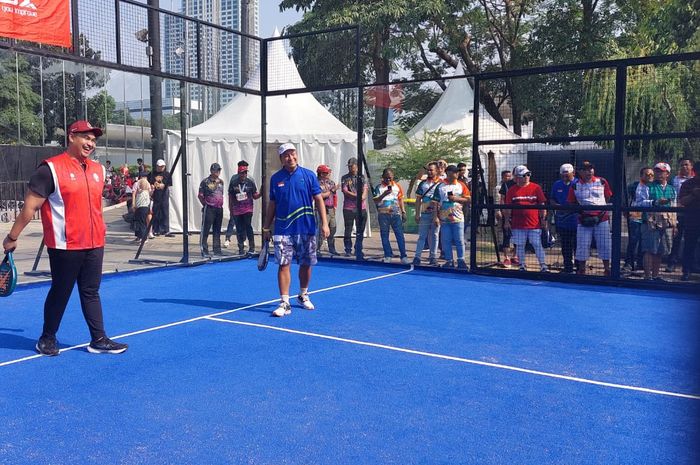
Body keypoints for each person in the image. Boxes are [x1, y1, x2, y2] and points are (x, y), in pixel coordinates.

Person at [2, 120, 128, 356]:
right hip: (65, 245)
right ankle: (47, 338)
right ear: (72, 137)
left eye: (93, 139)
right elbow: (30, 208)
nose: (90, 143)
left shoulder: (98, 170)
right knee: (61, 290)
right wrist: (12, 236)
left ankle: (99, 339)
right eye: (85, 137)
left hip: (94, 243)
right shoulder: (49, 169)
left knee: (91, 291)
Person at [262, 143, 329, 317]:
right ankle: (284, 302)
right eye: (286, 155)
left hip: (306, 228)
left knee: (306, 264)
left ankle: (303, 294)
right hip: (283, 230)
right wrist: (266, 226)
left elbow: (319, 199)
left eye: (292, 154)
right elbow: (273, 204)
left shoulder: (308, 175)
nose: (290, 158)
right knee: (284, 265)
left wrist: (324, 223)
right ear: (281, 159)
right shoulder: (276, 179)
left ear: (296, 155)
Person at [567, 161, 613, 276]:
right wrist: (582, 212)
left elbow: (607, 196)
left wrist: (600, 211)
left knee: (604, 243)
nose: (589, 172)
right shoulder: (575, 185)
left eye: (591, 169)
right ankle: (582, 269)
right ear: (580, 172)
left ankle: (607, 269)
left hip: (602, 219)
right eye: (586, 170)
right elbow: (571, 202)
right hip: (584, 220)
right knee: (583, 244)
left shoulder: (602, 181)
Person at [503, 165, 548, 272]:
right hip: (517, 224)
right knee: (520, 245)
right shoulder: (511, 190)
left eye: (528, 174)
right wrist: (506, 221)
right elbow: (508, 208)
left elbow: (542, 204)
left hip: (534, 224)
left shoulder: (536, 188)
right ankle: (522, 265)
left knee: (537, 244)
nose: (527, 176)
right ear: (517, 177)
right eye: (524, 175)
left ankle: (543, 265)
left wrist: (543, 219)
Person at [637, 162, 677, 281]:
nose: (659, 173)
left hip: (667, 223)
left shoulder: (672, 189)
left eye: (662, 171)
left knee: (660, 250)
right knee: (649, 249)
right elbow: (638, 203)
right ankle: (647, 276)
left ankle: (655, 275)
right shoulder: (646, 186)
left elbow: (674, 207)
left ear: (667, 174)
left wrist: (675, 225)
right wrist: (654, 202)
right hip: (650, 223)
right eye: (657, 171)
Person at [432, 165, 470, 269]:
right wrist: (435, 217)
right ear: (448, 173)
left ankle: (461, 260)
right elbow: (435, 203)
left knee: (459, 240)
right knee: (446, 240)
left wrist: (456, 199)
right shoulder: (440, 186)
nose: (457, 174)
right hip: (444, 219)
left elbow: (468, 199)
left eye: (457, 172)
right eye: (455, 172)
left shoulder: (461, 185)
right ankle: (449, 260)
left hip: (458, 218)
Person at [373, 167, 410, 264]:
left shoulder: (397, 186)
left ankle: (403, 256)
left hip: (395, 214)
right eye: (386, 178)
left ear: (393, 176)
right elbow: (375, 200)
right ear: (382, 177)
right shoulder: (379, 187)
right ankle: (388, 255)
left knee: (400, 235)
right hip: (383, 214)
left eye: (390, 177)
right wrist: (384, 194)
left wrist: (403, 212)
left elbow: (401, 199)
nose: (388, 180)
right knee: (384, 235)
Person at [226, 161, 261, 255]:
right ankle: (241, 248)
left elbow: (255, 195)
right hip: (237, 210)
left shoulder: (250, 181)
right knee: (239, 229)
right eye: (242, 172)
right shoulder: (234, 181)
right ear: (239, 172)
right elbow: (230, 196)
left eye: (245, 172)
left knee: (248, 227)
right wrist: (230, 209)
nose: (244, 174)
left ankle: (252, 247)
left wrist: (261, 193)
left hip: (248, 209)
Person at [667, 158, 694, 272]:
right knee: (676, 239)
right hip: (677, 214)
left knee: (690, 240)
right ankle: (672, 263)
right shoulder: (674, 180)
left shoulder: (695, 180)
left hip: (691, 215)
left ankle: (689, 266)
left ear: (691, 166)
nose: (684, 167)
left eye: (686, 165)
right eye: (682, 165)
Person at [625, 167, 654, 273]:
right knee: (633, 241)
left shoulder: (654, 187)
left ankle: (640, 264)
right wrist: (626, 210)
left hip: (648, 218)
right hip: (636, 216)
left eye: (651, 174)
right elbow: (626, 198)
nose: (650, 176)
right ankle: (628, 263)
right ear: (641, 175)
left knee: (644, 241)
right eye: (647, 174)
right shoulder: (634, 186)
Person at [550, 163, 577, 273]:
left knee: (578, 245)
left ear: (573, 173)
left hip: (576, 221)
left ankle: (580, 268)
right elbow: (551, 199)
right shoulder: (557, 184)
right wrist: (558, 206)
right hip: (562, 221)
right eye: (563, 175)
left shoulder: (578, 183)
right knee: (565, 246)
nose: (565, 177)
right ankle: (568, 267)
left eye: (567, 175)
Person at [412, 161, 441, 265]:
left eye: (431, 170)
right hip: (424, 213)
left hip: (436, 214)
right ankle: (417, 256)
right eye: (428, 170)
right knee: (422, 236)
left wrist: (438, 216)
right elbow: (418, 199)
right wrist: (417, 214)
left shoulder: (441, 183)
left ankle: (433, 256)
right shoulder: (423, 184)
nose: (429, 172)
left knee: (434, 235)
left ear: (437, 171)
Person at [340, 157, 368, 259]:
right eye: (349, 166)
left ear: (357, 166)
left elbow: (365, 190)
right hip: (349, 207)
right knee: (348, 228)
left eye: (352, 166)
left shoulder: (362, 177)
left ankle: (358, 248)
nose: (351, 168)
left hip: (361, 207)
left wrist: (362, 196)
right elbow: (345, 191)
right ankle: (348, 249)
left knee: (360, 229)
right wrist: (357, 196)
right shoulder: (345, 177)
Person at [678, 160, 700, 281]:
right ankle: (686, 271)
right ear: (695, 172)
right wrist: (693, 194)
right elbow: (682, 201)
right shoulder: (688, 184)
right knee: (689, 246)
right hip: (692, 221)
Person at [198, 162, 225, 258]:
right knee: (205, 229)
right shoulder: (205, 182)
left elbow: (221, 194)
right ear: (211, 171)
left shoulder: (221, 181)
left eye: (218, 170)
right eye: (215, 170)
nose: (217, 172)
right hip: (209, 207)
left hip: (219, 208)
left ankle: (217, 249)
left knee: (217, 230)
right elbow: (200, 195)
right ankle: (204, 249)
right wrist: (205, 204)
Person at [316, 164, 338, 256]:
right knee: (321, 229)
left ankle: (332, 248)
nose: (329, 174)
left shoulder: (331, 183)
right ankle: (317, 249)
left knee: (333, 228)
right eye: (327, 172)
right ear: (322, 174)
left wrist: (335, 206)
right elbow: (320, 196)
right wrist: (331, 191)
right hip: (321, 209)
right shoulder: (316, 183)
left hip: (331, 208)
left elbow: (335, 196)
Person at [148, 159, 173, 237]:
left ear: (164, 166)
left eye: (162, 166)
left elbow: (169, 184)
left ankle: (166, 230)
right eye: (159, 166)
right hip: (155, 194)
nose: (160, 168)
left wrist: (164, 185)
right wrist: (152, 186)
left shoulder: (167, 174)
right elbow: (150, 182)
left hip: (164, 194)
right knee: (155, 212)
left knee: (165, 211)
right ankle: (156, 229)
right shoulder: (152, 173)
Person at [498, 169, 518, 267]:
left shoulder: (525, 184)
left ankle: (515, 256)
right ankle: (506, 258)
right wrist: (502, 211)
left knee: (518, 236)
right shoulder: (506, 185)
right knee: (507, 235)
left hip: (519, 215)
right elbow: (502, 198)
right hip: (508, 213)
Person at [131, 175, 153, 242]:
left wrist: (152, 189)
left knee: (142, 222)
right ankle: (139, 236)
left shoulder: (146, 187)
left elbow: (150, 194)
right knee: (139, 221)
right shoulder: (138, 185)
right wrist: (133, 203)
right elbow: (134, 194)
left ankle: (144, 237)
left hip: (144, 206)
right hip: (140, 206)